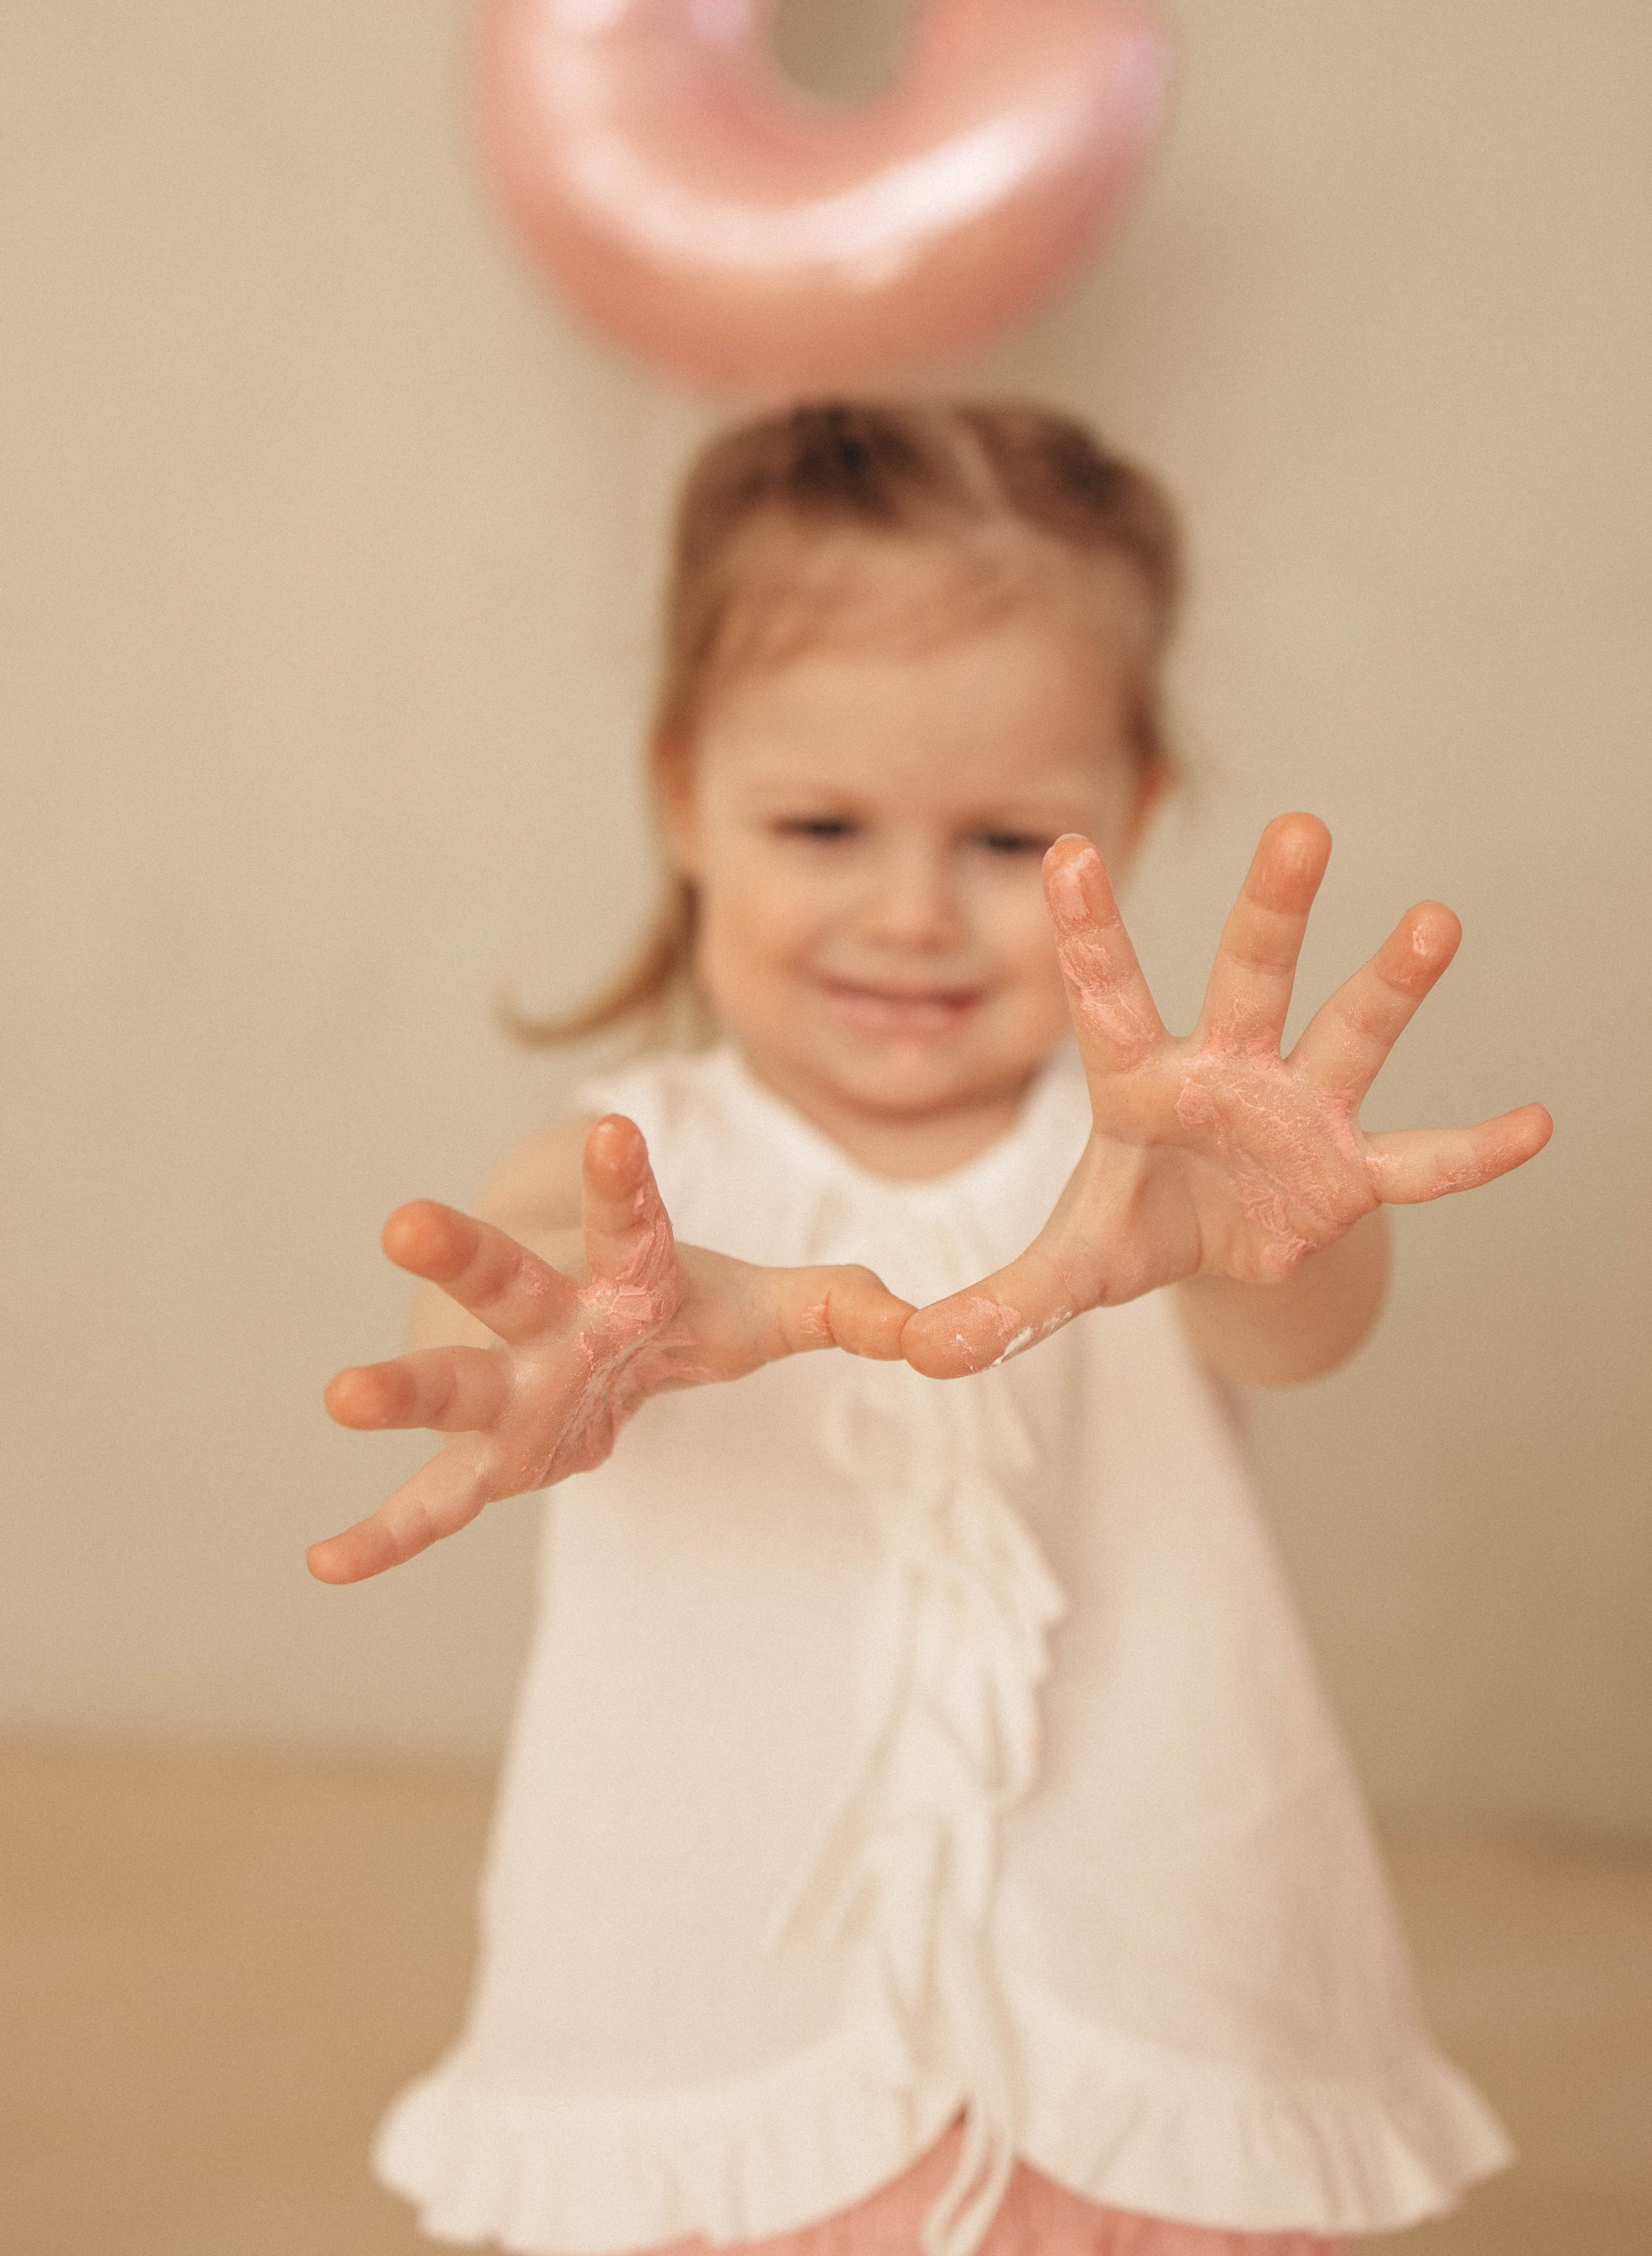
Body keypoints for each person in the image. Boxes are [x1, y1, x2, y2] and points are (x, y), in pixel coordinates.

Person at [309, 401, 1551, 2256]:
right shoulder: (645, 1157)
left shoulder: (1137, 1165)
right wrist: (558, 1337)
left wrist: (1262, 1227)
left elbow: (1298, 1332)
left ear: (1128, 818)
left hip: (1152, 1980)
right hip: (719, 2007)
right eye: (821, 822)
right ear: (681, 796)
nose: (909, 913)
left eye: (1001, 838)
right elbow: (514, 1259)